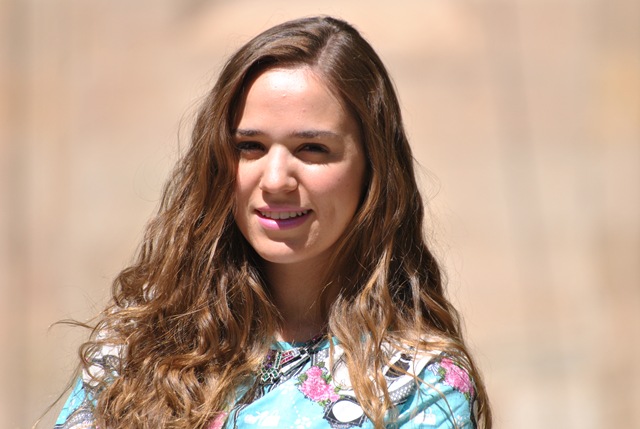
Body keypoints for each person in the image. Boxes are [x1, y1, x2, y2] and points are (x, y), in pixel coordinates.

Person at [54, 15, 491, 429]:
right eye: (251, 146)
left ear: (373, 170)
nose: (276, 179)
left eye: (312, 149)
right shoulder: (136, 342)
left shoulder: (422, 384)